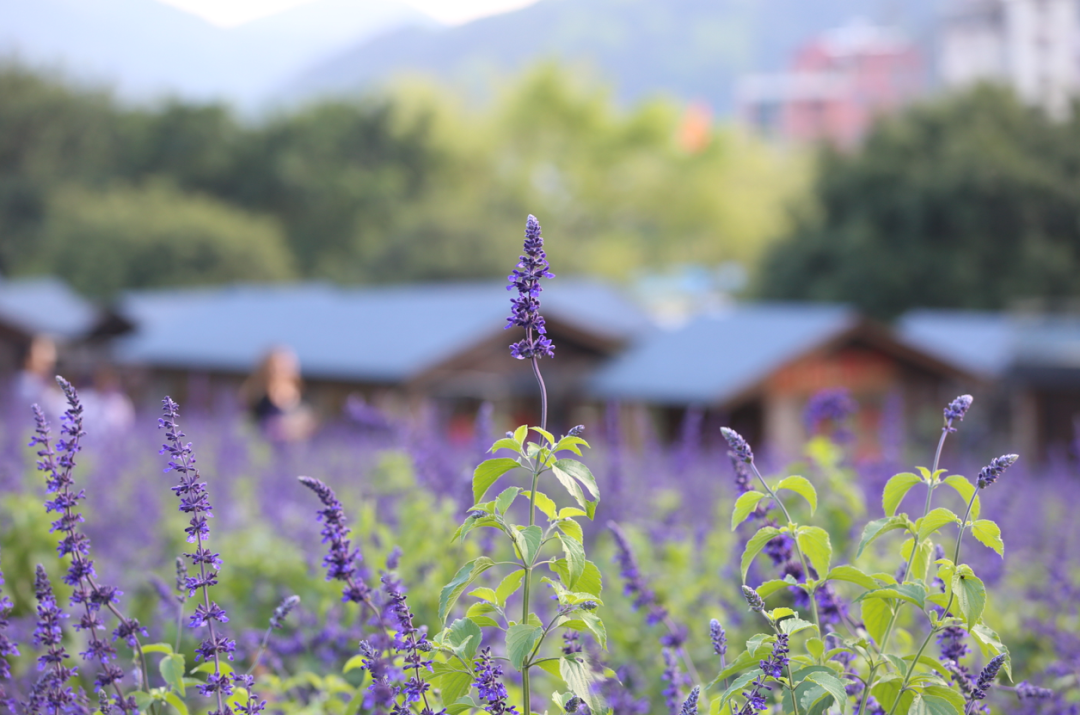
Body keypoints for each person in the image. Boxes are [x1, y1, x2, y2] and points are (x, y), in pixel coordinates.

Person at [239, 346, 315, 442]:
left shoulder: (302, 408)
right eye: (273, 369)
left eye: (283, 368)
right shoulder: (256, 401)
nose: (277, 372)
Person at [13, 335, 66, 419]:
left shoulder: (46, 383)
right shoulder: (24, 382)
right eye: (43, 353)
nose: (49, 358)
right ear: (28, 358)